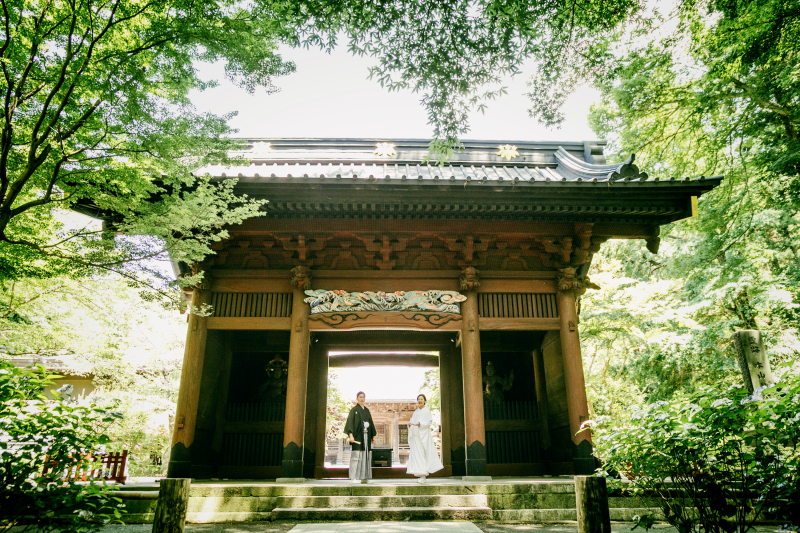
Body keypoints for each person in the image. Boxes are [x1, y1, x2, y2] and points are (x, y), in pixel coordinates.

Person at [406, 393, 443, 483]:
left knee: (422, 455)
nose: (420, 400)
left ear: (425, 401)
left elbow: (429, 421)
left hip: (422, 436)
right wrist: (410, 424)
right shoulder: (416, 411)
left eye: (422, 399)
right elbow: (412, 420)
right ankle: (420, 474)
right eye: (418, 399)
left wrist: (421, 424)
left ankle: (424, 474)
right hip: (415, 435)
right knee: (416, 455)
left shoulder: (426, 410)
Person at [343, 391, 376, 483]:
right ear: (357, 398)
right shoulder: (354, 410)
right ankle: (353, 478)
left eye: (363, 397)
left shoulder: (367, 410)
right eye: (360, 397)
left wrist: (373, 435)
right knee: (356, 457)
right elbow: (350, 423)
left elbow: (371, 422)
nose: (362, 399)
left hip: (366, 436)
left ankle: (365, 478)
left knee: (365, 457)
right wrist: (350, 435)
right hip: (357, 437)